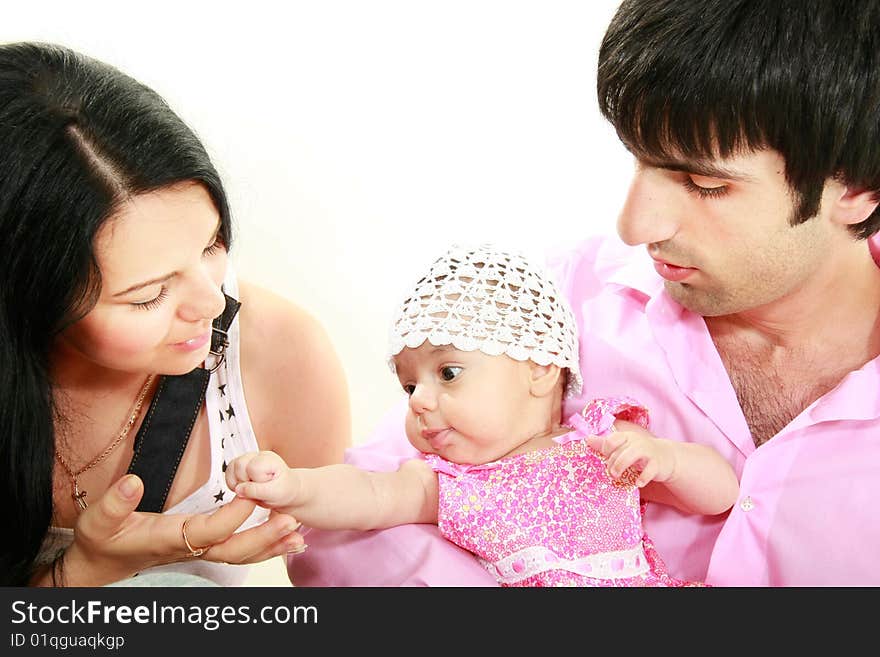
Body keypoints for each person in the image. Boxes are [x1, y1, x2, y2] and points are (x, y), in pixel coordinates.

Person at [290, 0, 880, 586]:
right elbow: (340, 538)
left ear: (858, 188)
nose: (635, 226)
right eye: (638, 161)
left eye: (704, 184)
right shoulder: (550, 306)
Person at [0, 41, 350, 587]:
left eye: (211, 246)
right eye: (147, 296)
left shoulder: (279, 351)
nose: (213, 305)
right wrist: (80, 577)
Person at [229, 244, 738, 586]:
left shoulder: (599, 442)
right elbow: (369, 495)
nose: (418, 401)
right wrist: (294, 487)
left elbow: (721, 495)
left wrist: (665, 460)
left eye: (447, 373)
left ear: (540, 370)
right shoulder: (450, 484)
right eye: (410, 385)